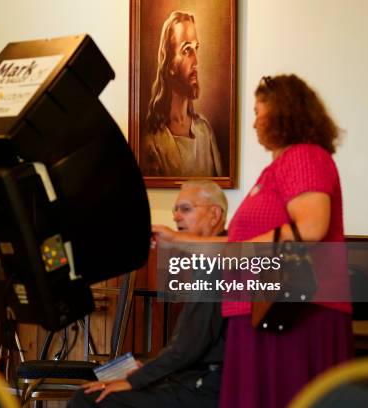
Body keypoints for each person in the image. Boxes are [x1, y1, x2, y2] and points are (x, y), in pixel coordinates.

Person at [219, 75, 353, 408]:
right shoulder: (276, 169)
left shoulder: (303, 157)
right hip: (264, 312)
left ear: (283, 112)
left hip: (292, 315)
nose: (253, 123)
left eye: (258, 112)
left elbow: (311, 226)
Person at [69, 180, 227, 408]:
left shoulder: (218, 263)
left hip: (203, 388)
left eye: (185, 209)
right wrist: (148, 367)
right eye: (175, 210)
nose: (175, 217)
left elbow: (188, 348)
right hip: (190, 379)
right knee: (101, 383)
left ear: (214, 215)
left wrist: (135, 380)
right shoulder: (210, 260)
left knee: (88, 399)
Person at [140, 11, 223, 177]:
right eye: (186, 51)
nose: (196, 63)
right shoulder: (153, 141)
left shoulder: (204, 131)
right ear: (169, 63)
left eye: (196, 49)